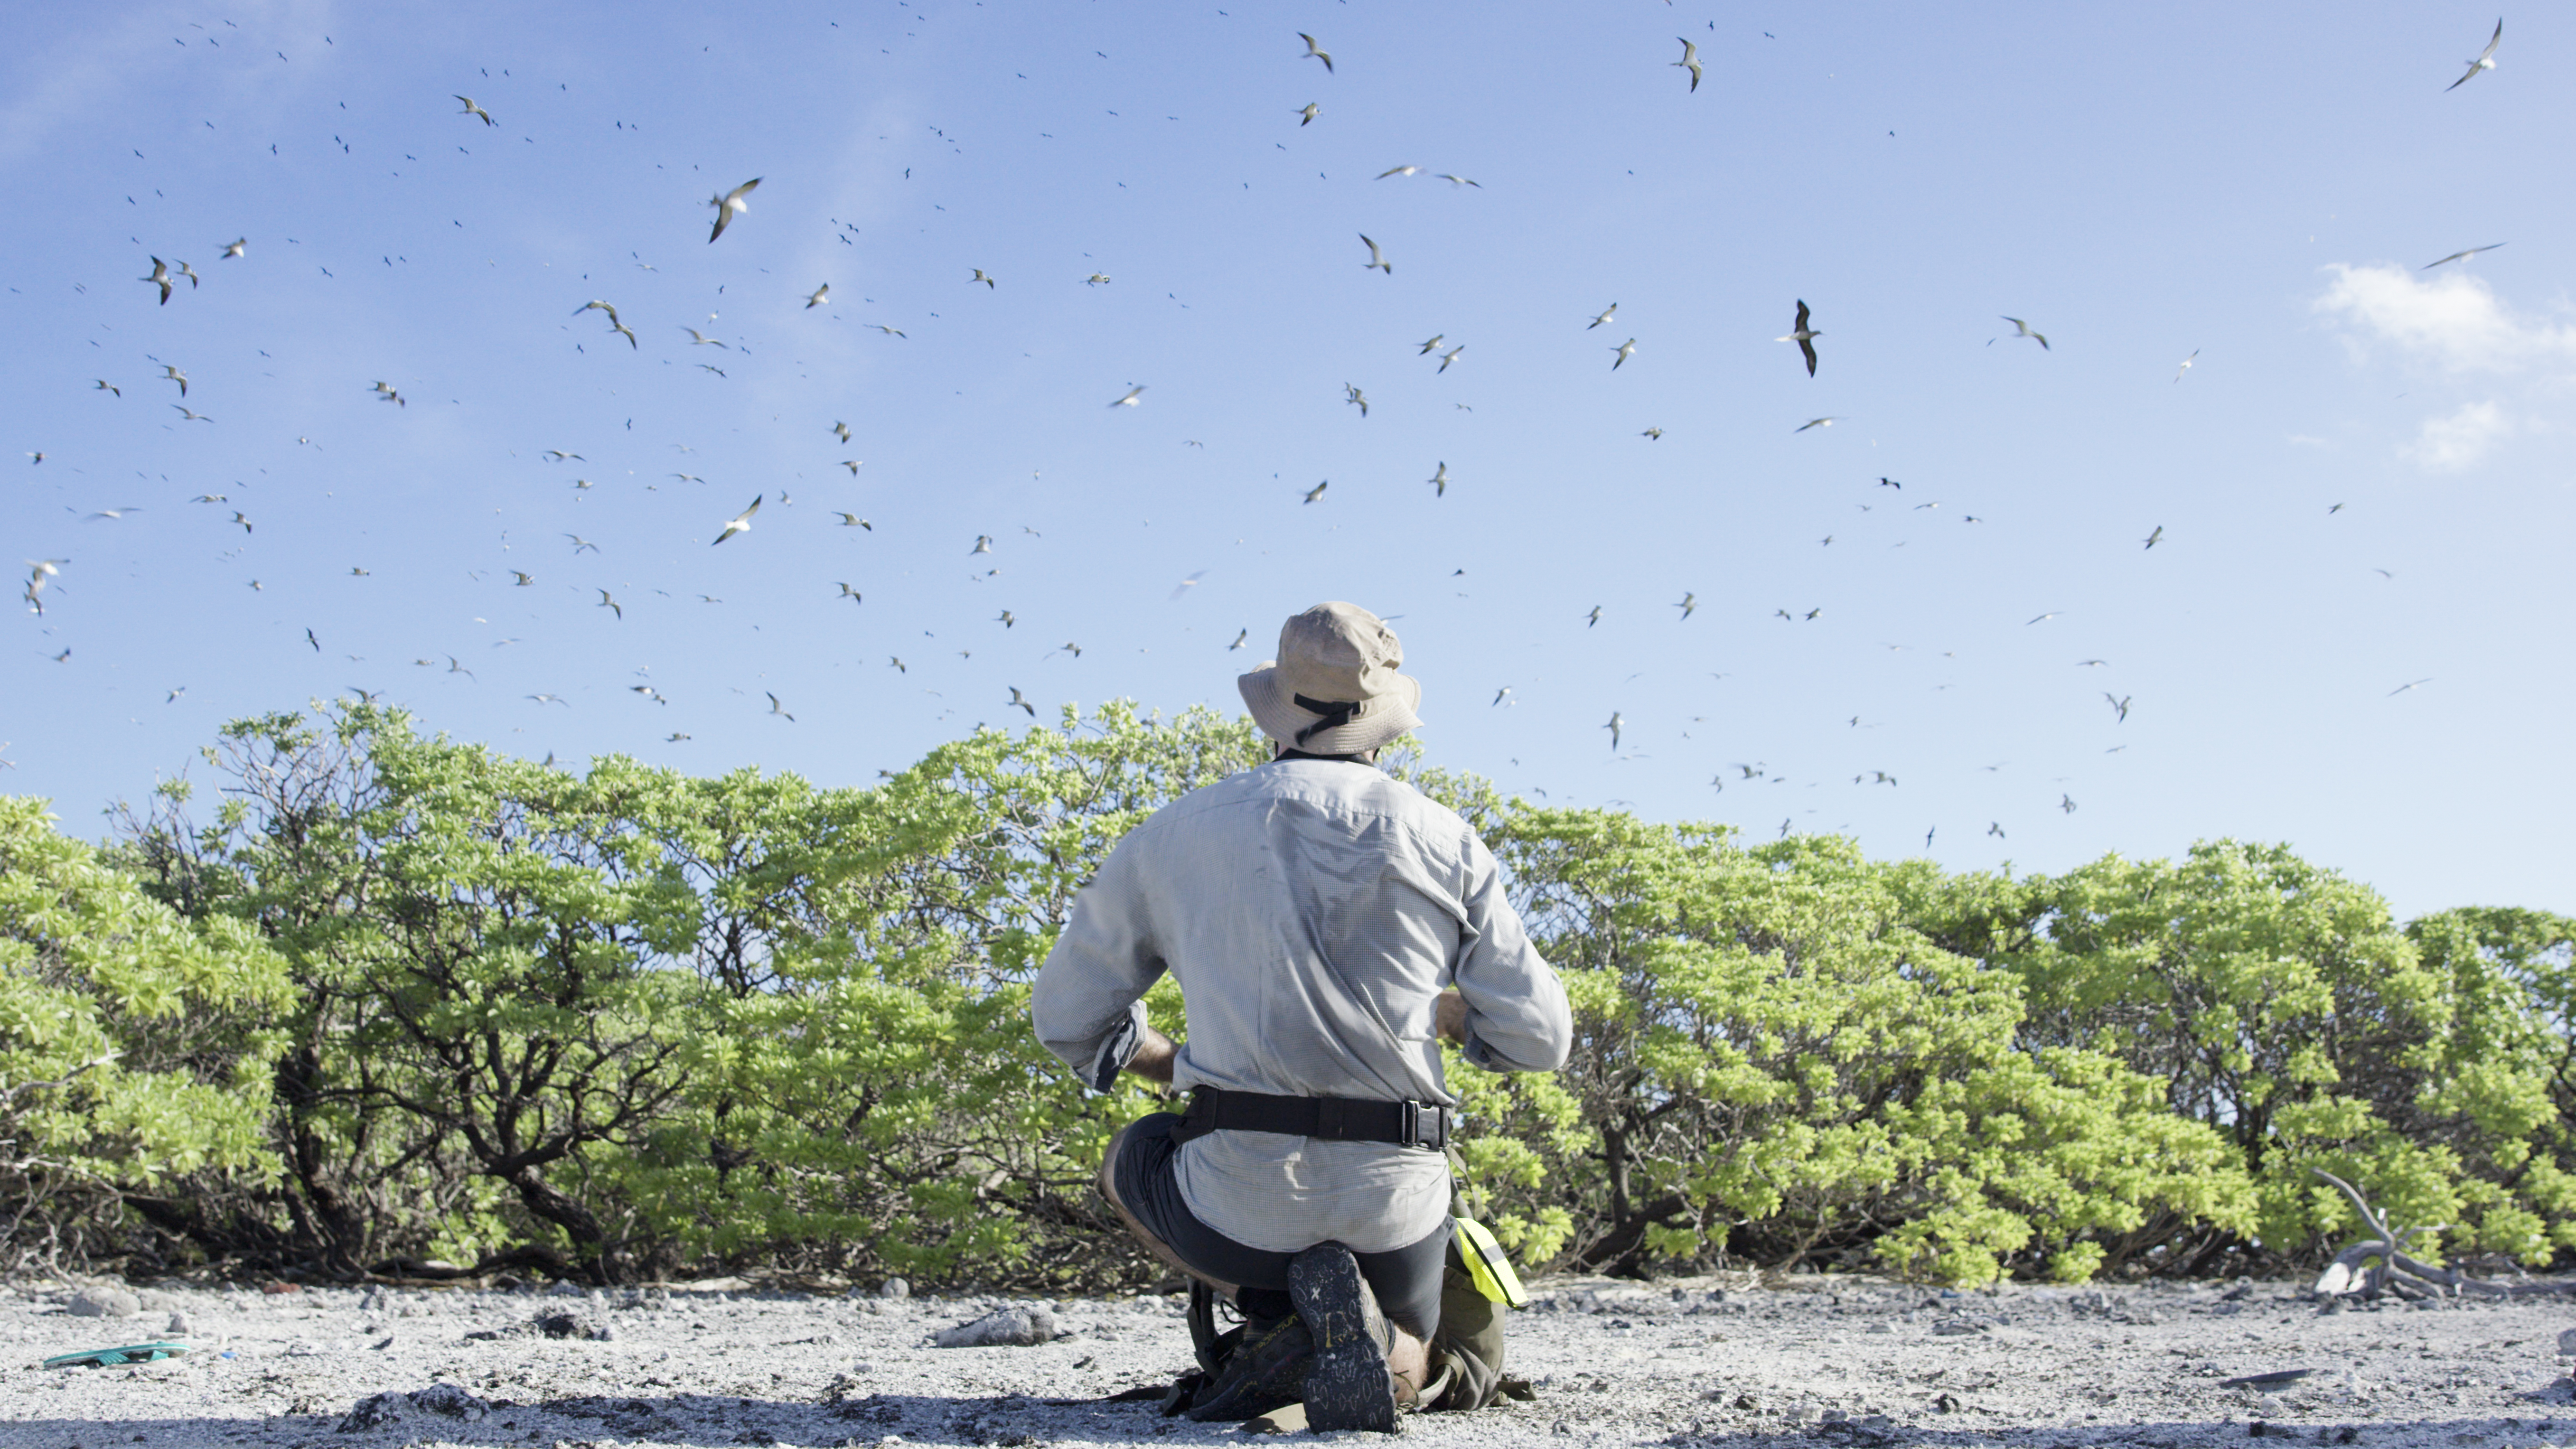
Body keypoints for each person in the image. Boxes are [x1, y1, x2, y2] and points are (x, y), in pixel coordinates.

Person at [1032, 601, 1573, 1431]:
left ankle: (1278, 1318)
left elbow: (1066, 1017)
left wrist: (1176, 1063)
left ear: (1275, 712)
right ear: (1382, 726)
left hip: (1233, 1207)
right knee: (1425, 1339)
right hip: (1394, 1204)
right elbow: (1542, 1039)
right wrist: (1449, 1014)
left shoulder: (1170, 835)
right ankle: (1390, 1355)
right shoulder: (1447, 838)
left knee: (1130, 1157)